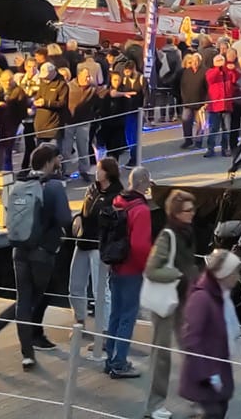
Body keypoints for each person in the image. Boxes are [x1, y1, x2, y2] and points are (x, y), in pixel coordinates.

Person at [0, 141, 68, 370]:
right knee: (32, 300)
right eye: (56, 159)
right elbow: (65, 219)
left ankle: (23, 352)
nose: (59, 162)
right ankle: (9, 338)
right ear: (49, 163)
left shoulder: (21, 183)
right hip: (43, 253)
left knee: (24, 299)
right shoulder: (55, 186)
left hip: (19, 250)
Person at [143, 188, 200, 419]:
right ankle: (154, 405)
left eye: (192, 209)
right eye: (187, 210)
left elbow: (188, 263)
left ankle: (196, 395)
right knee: (162, 355)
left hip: (182, 298)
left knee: (191, 346)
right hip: (165, 301)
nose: (192, 213)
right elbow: (151, 269)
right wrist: (177, 275)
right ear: (176, 213)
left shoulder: (187, 233)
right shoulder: (168, 236)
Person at [101, 162, 153, 378]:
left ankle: (110, 357)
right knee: (128, 316)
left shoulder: (118, 202)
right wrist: (147, 267)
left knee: (115, 313)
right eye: (148, 181)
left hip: (116, 265)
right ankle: (120, 362)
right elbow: (140, 245)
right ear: (143, 183)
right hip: (132, 269)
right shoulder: (141, 210)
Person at [179, 248, 241, 419]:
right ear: (224, 274)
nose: (238, 276)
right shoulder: (202, 299)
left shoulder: (222, 297)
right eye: (235, 272)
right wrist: (208, 374)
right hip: (206, 382)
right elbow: (191, 340)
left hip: (218, 377)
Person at [70, 158, 117, 358]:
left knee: (101, 289)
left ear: (107, 172)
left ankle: (105, 331)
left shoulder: (116, 194)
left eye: (99, 169)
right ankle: (79, 321)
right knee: (75, 285)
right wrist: (78, 217)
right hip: (82, 242)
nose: (96, 172)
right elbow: (84, 210)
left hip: (99, 246)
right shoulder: (92, 188)